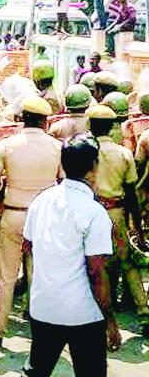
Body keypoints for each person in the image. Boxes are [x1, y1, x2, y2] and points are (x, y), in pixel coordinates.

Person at [21, 134, 120, 376]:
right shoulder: (94, 213)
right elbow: (97, 272)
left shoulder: (41, 201)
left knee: (37, 370)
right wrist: (110, 320)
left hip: (44, 306)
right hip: (82, 313)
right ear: (94, 167)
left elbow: (28, 247)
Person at [0, 96, 63, 347]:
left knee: (6, 277)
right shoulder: (56, 147)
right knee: (39, 276)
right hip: (44, 218)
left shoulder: (7, 145)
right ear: (44, 120)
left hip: (14, 213)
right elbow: (63, 182)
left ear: (21, 118)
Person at [86, 105, 149, 337]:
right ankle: (144, 313)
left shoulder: (85, 151)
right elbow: (131, 192)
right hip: (116, 215)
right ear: (112, 126)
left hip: (90, 214)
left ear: (90, 125)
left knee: (92, 265)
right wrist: (137, 230)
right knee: (127, 263)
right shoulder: (123, 153)